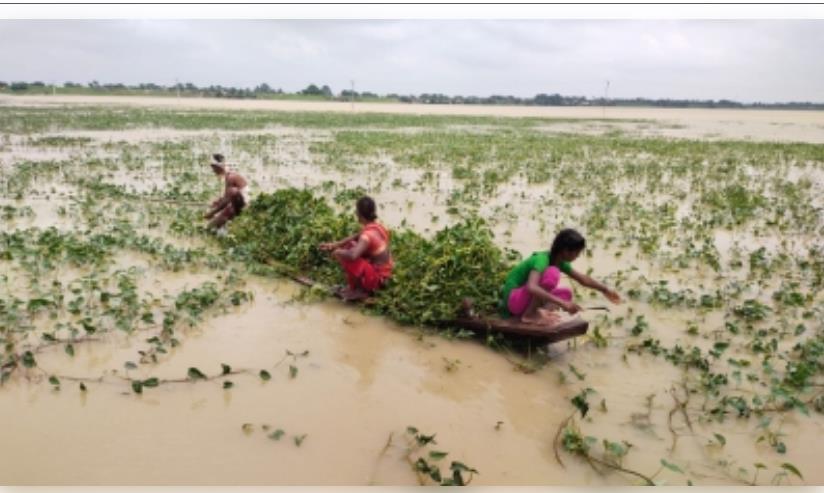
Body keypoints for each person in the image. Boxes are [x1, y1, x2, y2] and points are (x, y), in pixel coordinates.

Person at [500, 228, 621, 325]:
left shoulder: (560, 262)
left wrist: (605, 290)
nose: (578, 256)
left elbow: (583, 279)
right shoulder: (541, 260)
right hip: (513, 302)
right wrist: (563, 304)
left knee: (565, 294)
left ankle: (537, 312)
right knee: (553, 273)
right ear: (565, 250)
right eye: (577, 252)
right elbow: (532, 286)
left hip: (524, 300)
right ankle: (529, 315)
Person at [319, 196, 394, 301]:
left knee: (348, 254)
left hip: (378, 279)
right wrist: (335, 244)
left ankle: (361, 291)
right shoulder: (377, 227)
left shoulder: (366, 236)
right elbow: (357, 236)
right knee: (350, 245)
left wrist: (337, 252)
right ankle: (355, 287)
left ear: (359, 214)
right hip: (386, 273)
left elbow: (352, 255)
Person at [204, 154, 248, 232]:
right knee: (213, 225)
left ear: (218, 167)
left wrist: (212, 213)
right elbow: (227, 197)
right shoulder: (229, 176)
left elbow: (227, 200)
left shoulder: (231, 178)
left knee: (211, 226)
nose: (213, 171)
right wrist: (218, 202)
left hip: (240, 207)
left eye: (213, 168)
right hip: (237, 204)